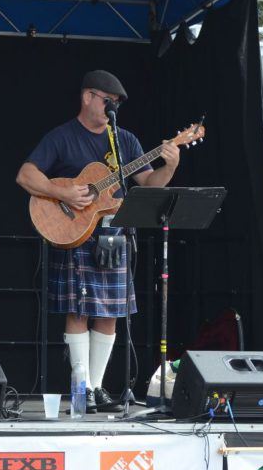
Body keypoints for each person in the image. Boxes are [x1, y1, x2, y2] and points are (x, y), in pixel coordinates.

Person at [15, 70, 180, 413]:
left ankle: (98, 386)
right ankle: (81, 387)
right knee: (79, 309)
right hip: (76, 231)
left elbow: (150, 184)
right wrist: (62, 192)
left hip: (113, 233)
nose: (112, 108)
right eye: (107, 101)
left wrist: (171, 166)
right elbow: (26, 175)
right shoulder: (62, 137)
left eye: (116, 103)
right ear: (87, 96)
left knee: (110, 313)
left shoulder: (125, 140)